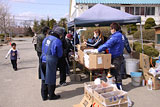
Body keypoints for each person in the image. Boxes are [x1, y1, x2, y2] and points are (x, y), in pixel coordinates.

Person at [93, 23, 124, 90]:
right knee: (115, 72)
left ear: (114, 29)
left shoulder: (116, 36)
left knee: (116, 72)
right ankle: (116, 86)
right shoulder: (121, 35)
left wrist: (98, 50)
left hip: (116, 56)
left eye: (111, 29)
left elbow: (108, 44)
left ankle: (118, 88)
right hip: (118, 55)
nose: (110, 30)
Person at [40, 26, 63, 101]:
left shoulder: (46, 38)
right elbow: (59, 54)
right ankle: (51, 95)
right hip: (50, 60)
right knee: (51, 78)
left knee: (44, 78)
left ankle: (44, 95)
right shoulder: (57, 41)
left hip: (42, 59)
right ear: (59, 34)